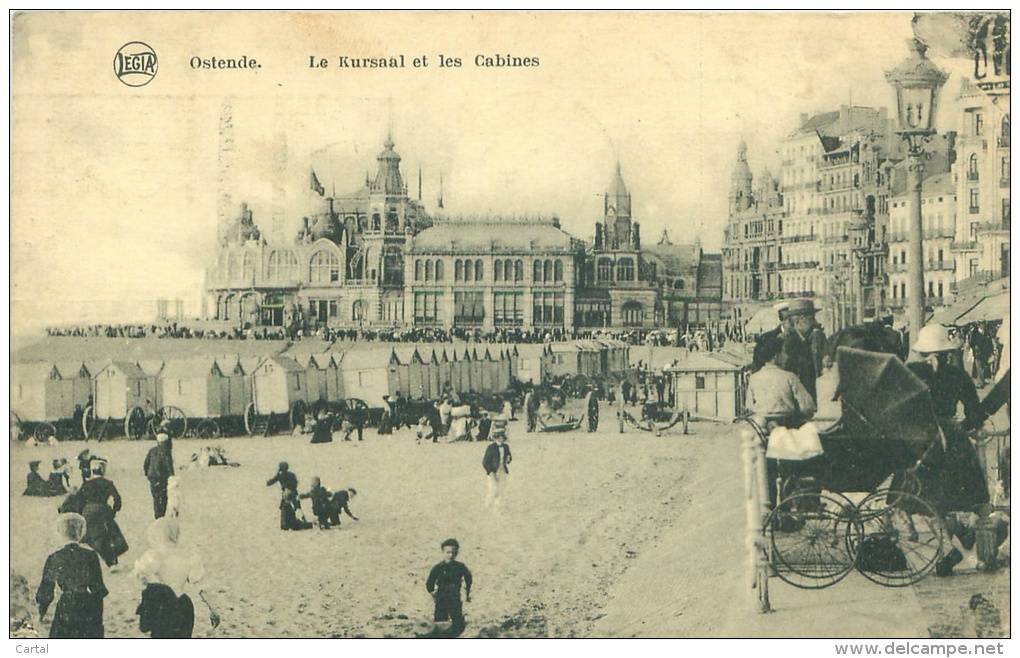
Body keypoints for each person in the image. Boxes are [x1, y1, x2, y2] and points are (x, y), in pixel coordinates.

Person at [745, 334, 818, 508]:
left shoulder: (754, 378)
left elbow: (749, 405)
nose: (786, 357)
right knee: (806, 456)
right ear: (776, 355)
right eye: (783, 353)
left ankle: (769, 506)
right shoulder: (789, 377)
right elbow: (808, 406)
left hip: (762, 431)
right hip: (787, 426)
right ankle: (799, 501)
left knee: (767, 470)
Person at [134, 517, 220, 638]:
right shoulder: (187, 556)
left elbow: (143, 576)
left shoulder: (155, 555)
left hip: (162, 606)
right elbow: (201, 586)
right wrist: (213, 608)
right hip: (183, 605)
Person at [36, 513, 108, 638]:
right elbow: (98, 589)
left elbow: (46, 589)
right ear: (81, 531)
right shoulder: (90, 555)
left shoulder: (55, 557)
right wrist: (98, 618)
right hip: (87, 605)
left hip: (66, 605)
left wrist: (41, 612)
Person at [79, 460, 129, 567]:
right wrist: (114, 510)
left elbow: (79, 500)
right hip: (103, 511)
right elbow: (117, 499)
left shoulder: (86, 484)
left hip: (88, 512)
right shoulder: (107, 483)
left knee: (92, 536)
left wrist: (82, 512)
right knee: (110, 535)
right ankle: (112, 560)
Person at [422, 538, 472, 638]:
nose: (451, 555)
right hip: (442, 598)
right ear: (443, 552)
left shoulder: (460, 567)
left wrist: (467, 593)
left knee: (458, 624)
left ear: (457, 553)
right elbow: (429, 583)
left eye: (454, 552)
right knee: (440, 624)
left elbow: (468, 577)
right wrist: (433, 594)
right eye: (448, 552)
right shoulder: (438, 567)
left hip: (455, 597)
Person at [144, 428, 176, 519]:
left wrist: (147, 473)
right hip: (161, 477)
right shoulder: (166, 452)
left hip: (152, 477)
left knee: (155, 497)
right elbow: (168, 465)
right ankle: (160, 514)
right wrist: (172, 476)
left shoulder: (152, 451)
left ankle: (157, 514)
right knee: (163, 497)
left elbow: (146, 464)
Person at [482, 424, 512, 509]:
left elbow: (509, 457)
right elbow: (485, 462)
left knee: (502, 488)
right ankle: (488, 505)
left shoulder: (506, 447)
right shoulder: (491, 447)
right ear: (497, 438)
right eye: (502, 437)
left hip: (502, 470)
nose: (503, 439)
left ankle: (498, 506)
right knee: (493, 489)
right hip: (493, 471)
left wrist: (508, 459)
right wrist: (490, 472)